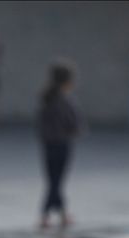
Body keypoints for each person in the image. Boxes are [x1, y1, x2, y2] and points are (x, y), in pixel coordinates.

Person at [37, 60, 85, 229]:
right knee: (56, 181)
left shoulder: (47, 99)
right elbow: (74, 123)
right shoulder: (66, 101)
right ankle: (44, 214)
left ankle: (63, 214)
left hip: (48, 144)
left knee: (53, 179)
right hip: (63, 144)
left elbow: (41, 123)